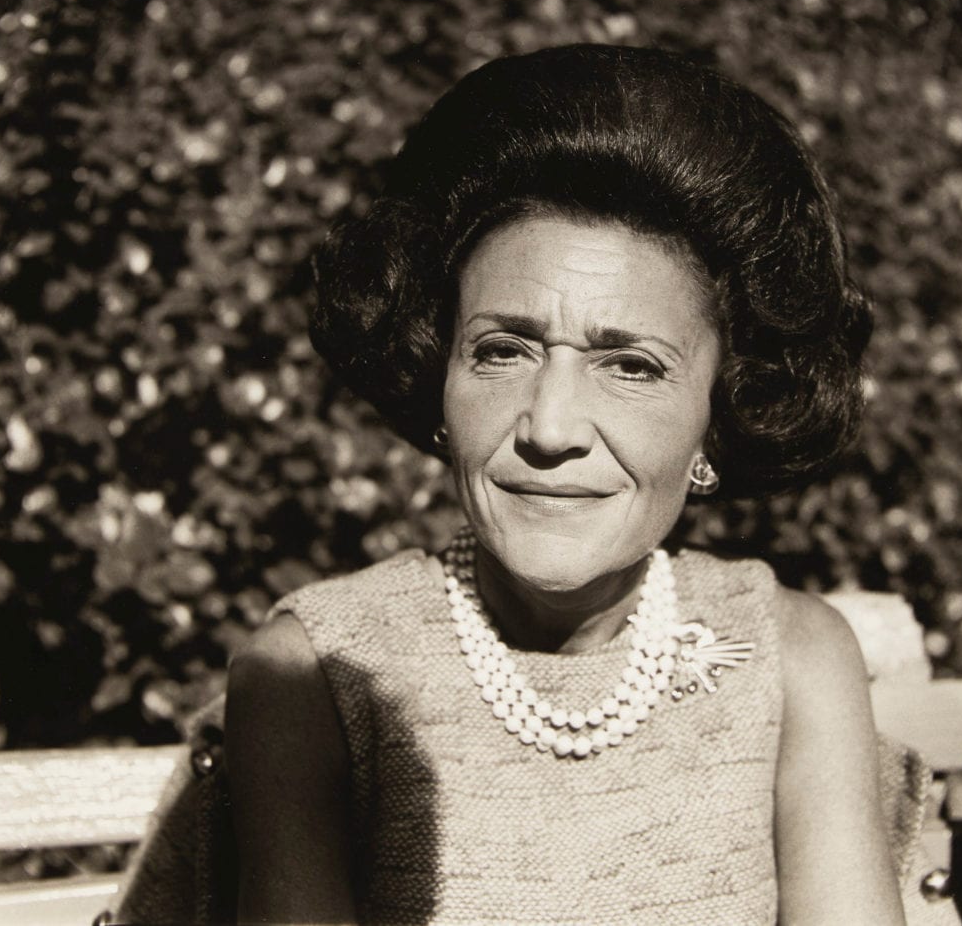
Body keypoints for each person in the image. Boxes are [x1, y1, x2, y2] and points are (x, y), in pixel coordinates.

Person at [202, 46, 919, 924]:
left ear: (718, 415)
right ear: (439, 382)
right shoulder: (314, 671)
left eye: (631, 366)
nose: (549, 428)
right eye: (502, 351)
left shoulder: (795, 656)